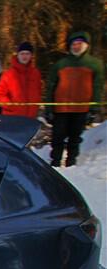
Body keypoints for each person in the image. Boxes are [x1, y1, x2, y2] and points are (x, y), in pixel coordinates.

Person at [47, 31, 104, 167]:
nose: (76, 47)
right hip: (61, 108)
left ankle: (71, 163)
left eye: (79, 44)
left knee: (75, 137)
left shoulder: (95, 64)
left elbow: (97, 86)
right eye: (74, 44)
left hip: (81, 109)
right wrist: (49, 108)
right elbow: (51, 86)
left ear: (86, 45)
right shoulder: (61, 64)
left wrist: (94, 108)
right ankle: (55, 162)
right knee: (57, 137)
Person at [0, 42, 42, 119]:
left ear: (31, 56)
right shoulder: (8, 74)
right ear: (18, 55)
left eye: (27, 53)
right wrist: (11, 106)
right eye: (22, 53)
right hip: (12, 117)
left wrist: (36, 107)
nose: (24, 56)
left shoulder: (36, 73)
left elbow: (39, 92)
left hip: (31, 117)